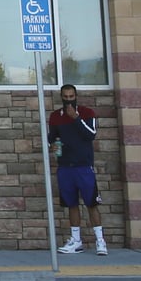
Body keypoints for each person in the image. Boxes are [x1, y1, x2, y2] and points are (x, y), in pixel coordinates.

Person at [47, 83, 107, 255]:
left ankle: (100, 241)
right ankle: (76, 241)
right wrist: (52, 145)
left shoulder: (87, 113)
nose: (68, 100)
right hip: (65, 167)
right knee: (71, 204)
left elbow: (91, 134)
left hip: (83, 166)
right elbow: (51, 138)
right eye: (65, 97)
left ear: (75, 96)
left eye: (71, 97)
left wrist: (76, 118)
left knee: (91, 203)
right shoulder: (55, 116)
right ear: (61, 97)